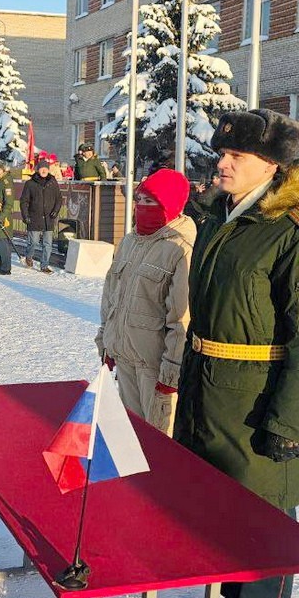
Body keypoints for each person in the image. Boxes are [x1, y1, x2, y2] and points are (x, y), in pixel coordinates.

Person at [171, 109, 299, 598]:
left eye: (234, 157)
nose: (220, 163)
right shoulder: (226, 218)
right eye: (221, 154)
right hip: (210, 389)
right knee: (216, 510)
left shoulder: (288, 230)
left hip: (259, 398)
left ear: (272, 167)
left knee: (264, 519)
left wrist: (288, 422)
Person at [95, 168, 194, 435]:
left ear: (169, 205)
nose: (140, 207)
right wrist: (106, 342)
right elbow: (111, 297)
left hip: (154, 367)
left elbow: (181, 317)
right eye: (139, 200)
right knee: (129, 437)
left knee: (157, 442)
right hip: (125, 357)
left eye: (149, 201)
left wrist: (171, 372)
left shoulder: (181, 248)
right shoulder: (129, 241)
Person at [19, 159, 62, 273]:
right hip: (34, 217)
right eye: (42, 168)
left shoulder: (53, 182)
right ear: (38, 170)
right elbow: (24, 201)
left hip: (49, 218)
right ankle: (29, 256)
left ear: (48, 170)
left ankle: (44, 265)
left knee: (47, 244)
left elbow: (59, 199)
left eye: (46, 169)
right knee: (33, 242)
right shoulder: (30, 183)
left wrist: (56, 211)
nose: (44, 170)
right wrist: (25, 215)